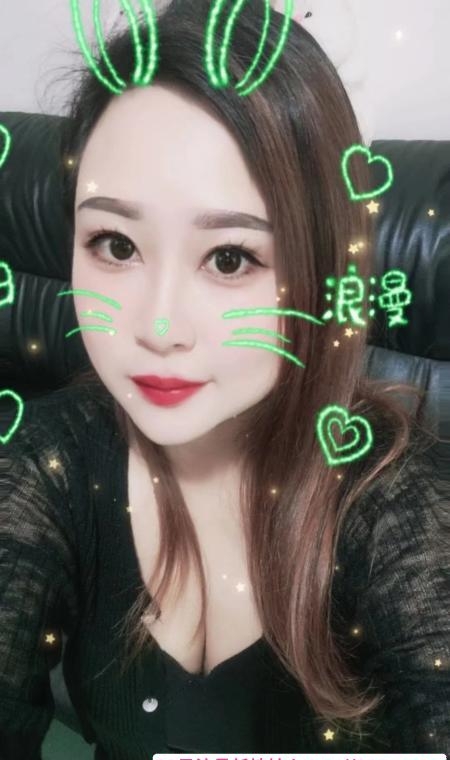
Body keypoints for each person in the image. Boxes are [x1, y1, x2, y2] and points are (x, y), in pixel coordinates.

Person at [1, 0, 449, 757]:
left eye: (230, 258)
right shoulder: (47, 463)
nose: (158, 327)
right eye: (115, 244)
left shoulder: (393, 503)